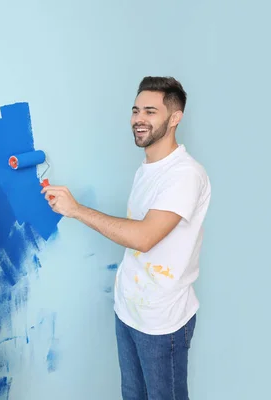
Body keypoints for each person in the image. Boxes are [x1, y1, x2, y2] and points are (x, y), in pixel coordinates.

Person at [42, 76, 211, 399]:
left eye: (150, 111)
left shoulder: (185, 176)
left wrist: (76, 210)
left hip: (163, 322)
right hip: (130, 310)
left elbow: (145, 237)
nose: (138, 119)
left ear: (175, 118)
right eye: (136, 111)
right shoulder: (148, 167)